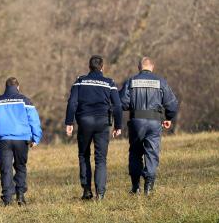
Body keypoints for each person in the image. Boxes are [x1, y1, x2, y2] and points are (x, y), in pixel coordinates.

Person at [65, 55, 122, 200]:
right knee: (101, 158)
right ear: (102, 67)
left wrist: (69, 122)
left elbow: (72, 103)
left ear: (89, 67)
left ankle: (86, 191)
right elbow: (117, 105)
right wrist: (118, 125)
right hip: (103, 122)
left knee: (84, 155)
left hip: (84, 121)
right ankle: (101, 194)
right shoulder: (109, 82)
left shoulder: (80, 81)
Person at [119, 57, 178, 196]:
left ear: (139, 67)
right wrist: (168, 117)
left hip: (136, 121)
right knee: (152, 153)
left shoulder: (131, 81)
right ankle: (149, 187)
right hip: (154, 122)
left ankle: (135, 187)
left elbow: (122, 103)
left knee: (135, 153)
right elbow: (172, 104)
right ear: (153, 67)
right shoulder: (160, 82)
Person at [0, 77, 42, 206]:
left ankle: (7, 199)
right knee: (20, 166)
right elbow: (34, 120)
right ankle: (20, 195)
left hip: (3, 140)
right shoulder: (26, 101)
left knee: (6, 169)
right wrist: (36, 137)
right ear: (18, 87)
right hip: (21, 139)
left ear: (5, 87)